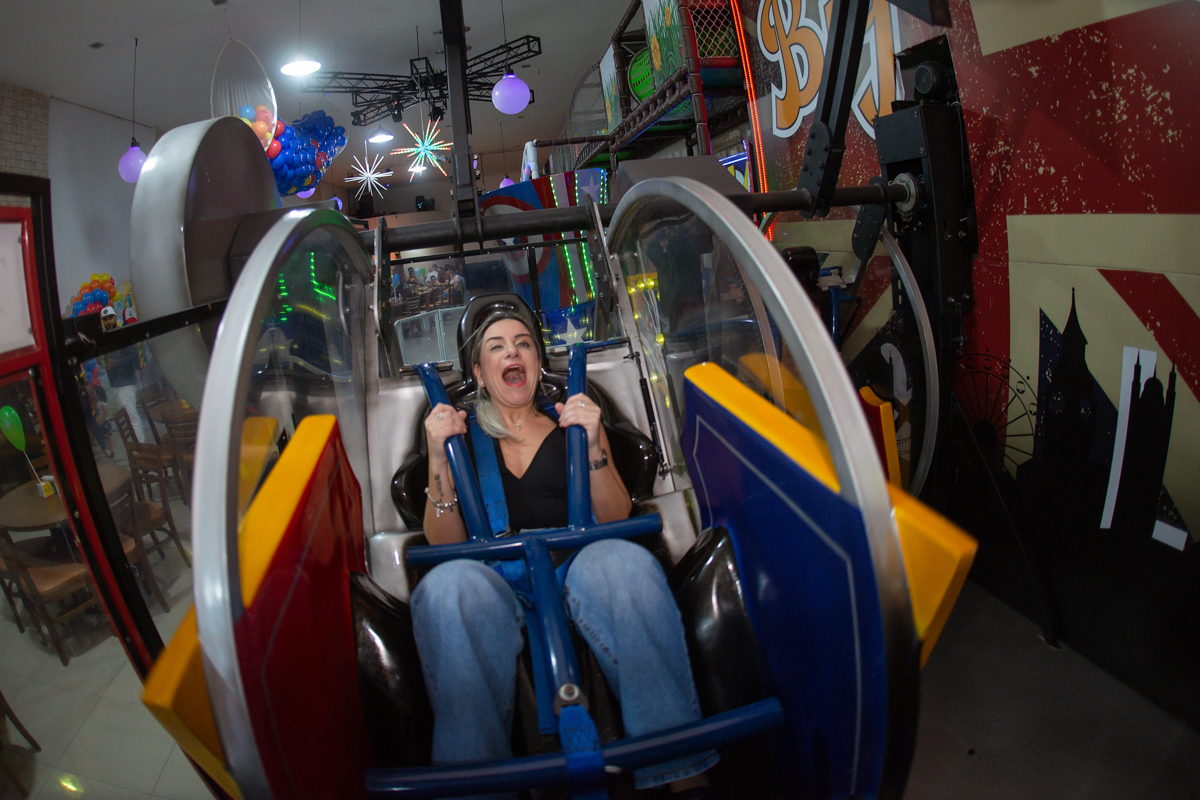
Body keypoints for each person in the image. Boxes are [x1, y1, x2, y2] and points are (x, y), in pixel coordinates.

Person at [414, 307, 717, 798]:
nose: (512, 352)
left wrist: (593, 442)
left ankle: (683, 771)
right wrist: (436, 455)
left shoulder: (571, 423)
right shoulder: (459, 441)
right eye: (496, 347)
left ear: (537, 363)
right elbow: (445, 545)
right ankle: (472, 786)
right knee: (446, 588)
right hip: (493, 572)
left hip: (577, 560)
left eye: (523, 344)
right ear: (480, 374)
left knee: (626, 564)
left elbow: (615, 516)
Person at [100, 307, 145, 444]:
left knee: (132, 418)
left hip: (126, 384)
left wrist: (116, 363)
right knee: (128, 420)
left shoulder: (123, 334)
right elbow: (104, 359)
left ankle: (141, 449)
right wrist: (100, 360)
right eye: (105, 319)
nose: (108, 321)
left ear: (115, 317)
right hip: (115, 386)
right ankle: (138, 448)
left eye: (110, 318)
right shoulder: (104, 338)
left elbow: (135, 357)